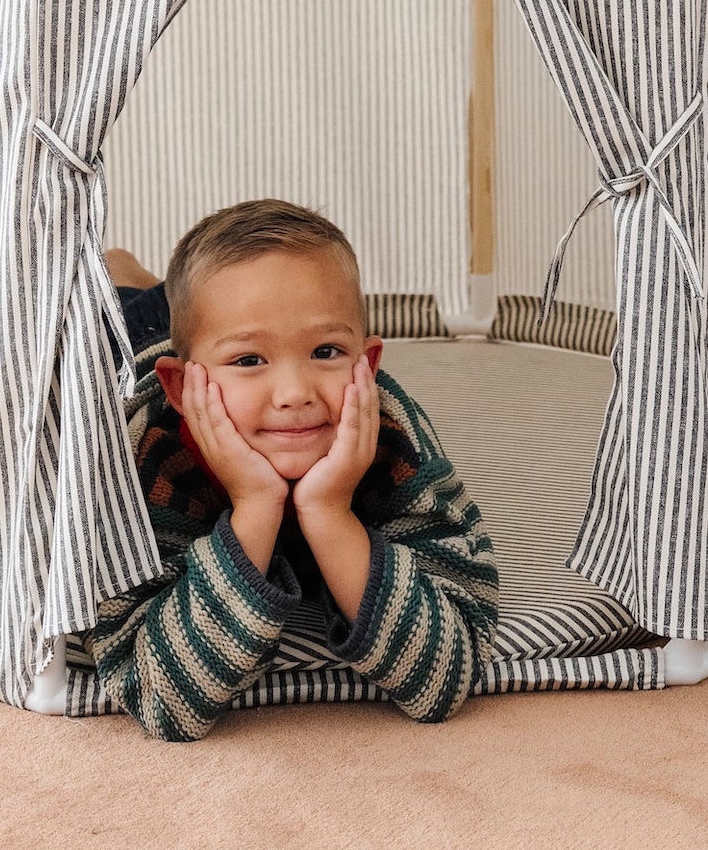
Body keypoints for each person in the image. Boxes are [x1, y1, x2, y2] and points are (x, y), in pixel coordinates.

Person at [84, 201, 498, 741]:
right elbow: (160, 696)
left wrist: (328, 512)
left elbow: (448, 672)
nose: (296, 394)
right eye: (250, 361)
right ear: (182, 389)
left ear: (367, 366)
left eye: (326, 351)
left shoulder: (390, 434)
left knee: (193, 311)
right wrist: (256, 507)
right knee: (126, 305)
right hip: (134, 359)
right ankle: (125, 269)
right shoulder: (152, 460)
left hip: (201, 348)